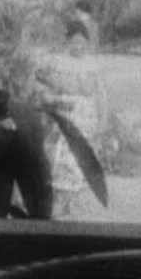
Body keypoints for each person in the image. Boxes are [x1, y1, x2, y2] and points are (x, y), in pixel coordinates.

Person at [37, 22, 108, 221]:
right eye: (73, 42)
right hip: (63, 119)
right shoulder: (57, 63)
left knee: (81, 163)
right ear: (67, 42)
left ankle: (73, 208)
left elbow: (101, 95)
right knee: (60, 163)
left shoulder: (93, 65)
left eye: (82, 42)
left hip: (86, 120)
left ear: (87, 43)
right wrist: (54, 100)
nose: (78, 47)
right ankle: (58, 206)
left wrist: (102, 124)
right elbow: (44, 89)